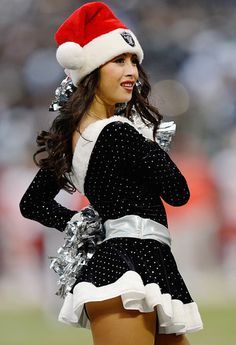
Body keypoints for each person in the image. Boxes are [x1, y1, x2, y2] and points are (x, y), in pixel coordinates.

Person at [20, 2, 203, 345]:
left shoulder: (75, 135)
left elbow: (33, 203)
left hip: (143, 262)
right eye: (119, 60)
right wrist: (146, 139)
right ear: (90, 69)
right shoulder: (119, 132)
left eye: (134, 60)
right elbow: (178, 191)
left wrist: (84, 223)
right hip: (126, 268)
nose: (131, 70)